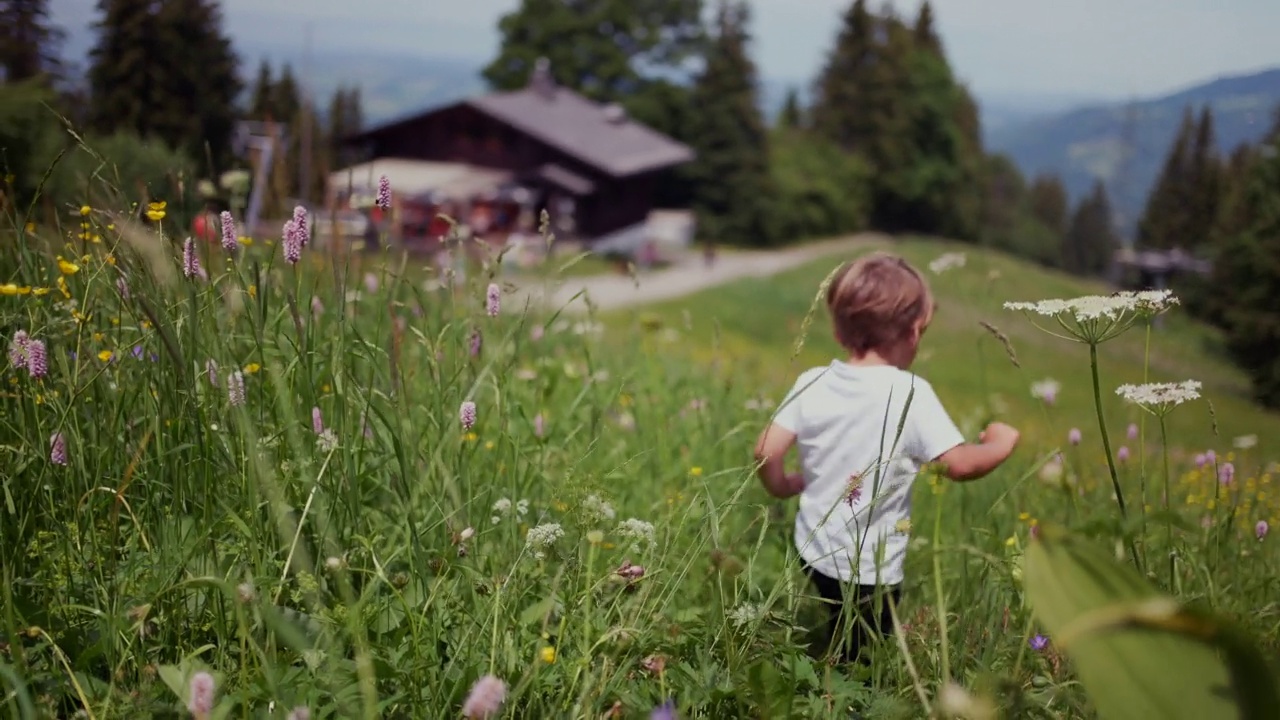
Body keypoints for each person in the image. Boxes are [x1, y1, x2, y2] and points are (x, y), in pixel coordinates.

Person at [753, 252, 1020, 664]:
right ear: (914, 331)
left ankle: (831, 664)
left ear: (839, 331)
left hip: (813, 548)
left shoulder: (814, 381)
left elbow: (765, 450)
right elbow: (961, 464)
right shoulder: (910, 393)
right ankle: (844, 693)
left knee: (839, 618)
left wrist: (782, 484)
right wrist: (1000, 442)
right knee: (867, 654)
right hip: (869, 569)